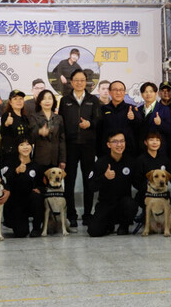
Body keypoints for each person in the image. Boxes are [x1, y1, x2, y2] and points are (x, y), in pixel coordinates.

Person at [58, 69, 101, 228]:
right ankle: (72, 215)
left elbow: (99, 121)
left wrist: (90, 124)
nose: (79, 82)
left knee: (88, 180)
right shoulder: (65, 100)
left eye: (82, 80)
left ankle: (88, 214)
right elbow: (61, 123)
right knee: (69, 181)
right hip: (70, 145)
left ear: (86, 81)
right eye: (76, 80)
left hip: (88, 145)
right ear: (71, 81)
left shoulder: (93, 100)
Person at [87, 131, 138, 237]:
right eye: (115, 142)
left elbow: (138, 183)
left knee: (131, 204)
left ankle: (124, 226)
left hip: (123, 204)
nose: (119, 145)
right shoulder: (101, 163)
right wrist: (104, 177)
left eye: (122, 141)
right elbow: (91, 187)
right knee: (94, 231)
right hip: (106, 204)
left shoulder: (131, 162)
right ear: (108, 144)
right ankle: (108, 225)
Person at [0, 136, 44, 238]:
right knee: (21, 233)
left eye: (28, 144)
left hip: (30, 200)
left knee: (37, 197)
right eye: (21, 145)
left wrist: (40, 189)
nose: (25, 147)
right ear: (17, 147)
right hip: (16, 202)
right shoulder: (11, 163)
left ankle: (37, 228)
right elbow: (6, 182)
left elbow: (43, 184)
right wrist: (16, 171)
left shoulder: (36, 165)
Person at [133, 132, 171, 213]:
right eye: (151, 140)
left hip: (162, 194)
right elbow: (136, 182)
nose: (155, 142)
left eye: (157, 140)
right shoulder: (140, 160)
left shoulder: (165, 159)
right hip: (147, 194)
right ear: (145, 142)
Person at [98, 80, 142, 157]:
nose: (118, 92)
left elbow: (140, 127)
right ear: (110, 92)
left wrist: (133, 118)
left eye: (121, 90)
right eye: (115, 90)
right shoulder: (103, 109)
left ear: (124, 92)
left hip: (128, 152)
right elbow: (98, 131)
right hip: (107, 152)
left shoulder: (132, 108)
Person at [29, 89, 66, 171]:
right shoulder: (34, 117)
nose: (47, 101)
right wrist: (39, 132)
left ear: (53, 101)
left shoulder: (58, 118)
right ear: (39, 102)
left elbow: (62, 140)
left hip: (55, 159)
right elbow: (30, 137)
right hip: (40, 159)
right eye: (44, 98)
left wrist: (62, 159)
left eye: (50, 98)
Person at [137, 82, 171, 154]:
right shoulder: (138, 110)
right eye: (145, 92)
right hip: (142, 149)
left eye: (151, 91)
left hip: (158, 149)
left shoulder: (164, 109)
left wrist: (160, 123)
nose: (148, 94)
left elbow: (169, 129)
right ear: (142, 95)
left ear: (156, 94)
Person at [0, 89, 30, 165]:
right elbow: (2, 133)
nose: (18, 101)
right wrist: (6, 124)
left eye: (21, 99)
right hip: (10, 156)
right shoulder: (6, 115)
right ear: (10, 102)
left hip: (23, 155)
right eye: (15, 99)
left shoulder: (25, 118)